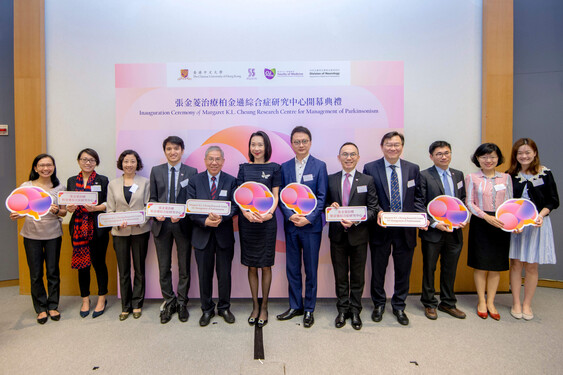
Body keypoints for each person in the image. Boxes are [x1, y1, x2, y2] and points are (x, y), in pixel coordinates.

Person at [362, 131, 427, 326]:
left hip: (406, 229)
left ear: (402, 147)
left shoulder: (413, 169)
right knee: (378, 269)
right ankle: (379, 304)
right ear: (382, 147)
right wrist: (381, 212)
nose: (393, 148)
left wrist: (422, 217)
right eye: (389, 144)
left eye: (396, 144)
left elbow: (418, 198)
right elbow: (369, 198)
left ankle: (399, 306)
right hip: (380, 227)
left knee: (403, 270)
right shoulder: (370, 167)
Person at [277, 126, 328, 328]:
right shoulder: (285, 167)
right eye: (297, 141)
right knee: (292, 268)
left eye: (304, 141)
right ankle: (295, 305)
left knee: (311, 270)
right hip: (291, 226)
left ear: (310, 142)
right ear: (292, 143)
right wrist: (290, 216)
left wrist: (309, 218)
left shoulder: (319, 166)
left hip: (311, 227)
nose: (301, 145)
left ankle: (309, 309)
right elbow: (280, 196)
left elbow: (323, 197)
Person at [326, 142, 380, 330]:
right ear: (339, 157)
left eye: (352, 154)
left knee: (357, 276)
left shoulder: (368, 180)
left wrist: (356, 220)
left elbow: (373, 209)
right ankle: (342, 309)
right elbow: (324, 206)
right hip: (337, 236)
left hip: (359, 236)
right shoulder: (330, 179)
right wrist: (330, 208)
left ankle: (355, 310)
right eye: (345, 154)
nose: (348, 158)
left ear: (358, 157)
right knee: (340, 276)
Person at [9, 154, 67, 324]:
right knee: (35, 274)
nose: (45, 168)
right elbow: (21, 210)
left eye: (49, 165)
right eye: (41, 165)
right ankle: (40, 308)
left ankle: (53, 305)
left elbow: (64, 212)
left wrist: (56, 211)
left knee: (52, 272)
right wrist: (16, 215)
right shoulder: (26, 186)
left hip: (53, 234)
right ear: (35, 168)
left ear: (54, 167)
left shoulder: (60, 188)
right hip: (31, 234)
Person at [507, 138, 559, 320]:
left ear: (535, 153)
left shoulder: (545, 173)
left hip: (537, 225)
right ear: (516, 155)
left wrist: (541, 215)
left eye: (527, 152)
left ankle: (527, 304)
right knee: (515, 265)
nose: (524, 156)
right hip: (517, 227)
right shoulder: (510, 175)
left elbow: (553, 200)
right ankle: (515, 302)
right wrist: (512, 223)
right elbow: (507, 203)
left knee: (531, 266)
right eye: (520, 153)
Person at [187, 146, 238, 326]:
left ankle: (224, 307)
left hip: (223, 235)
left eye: (217, 159)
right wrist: (204, 221)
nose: (214, 162)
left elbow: (235, 206)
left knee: (224, 275)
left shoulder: (232, 181)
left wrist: (221, 218)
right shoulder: (194, 181)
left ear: (223, 161)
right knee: (204, 275)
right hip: (202, 235)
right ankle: (207, 309)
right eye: (210, 159)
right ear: (205, 160)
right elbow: (190, 208)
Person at [149, 136, 197, 324]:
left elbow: (192, 200)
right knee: (164, 267)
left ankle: (182, 303)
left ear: (182, 150)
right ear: (165, 151)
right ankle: (169, 301)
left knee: (185, 266)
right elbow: (152, 198)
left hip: (183, 225)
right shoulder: (156, 171)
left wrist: (183, 213)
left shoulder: (192, 172)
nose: (173, 152)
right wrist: (155, 213)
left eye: (176, 148)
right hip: (162, 225)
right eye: (169, 149)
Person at [237, 131, 281, 328]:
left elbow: (275, 195)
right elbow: (239, 195)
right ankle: (255, 305)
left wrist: (270, 213)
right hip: (247, 222)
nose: (256, 148)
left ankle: (265, 306)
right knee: (251, 265)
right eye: (253, 144)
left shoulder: (275, 168)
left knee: (265, 265)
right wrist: (245, 213)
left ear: (266, 147)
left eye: (260, 145)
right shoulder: (243, 168)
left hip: (267, 223)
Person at [419, 141, 467, 320]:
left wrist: (463, 217)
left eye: (447, 153)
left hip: (455, 231)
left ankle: (448, 302)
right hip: (433, 231)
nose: (444, 156)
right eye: (439, 154)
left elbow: (462, 200)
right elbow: (419, 203)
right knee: (429, 268)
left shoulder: (458, 175)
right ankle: (429, 303)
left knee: (450, 268)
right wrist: (433, 223)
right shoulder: (424, 175)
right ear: (431, 157)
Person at [465, 143, 513, 320]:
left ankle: (491, 301)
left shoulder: (506, 178)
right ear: (477, 158)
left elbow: (510, 201)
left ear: (498, 158)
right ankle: (481, 301)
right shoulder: (472, 177)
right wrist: (486, 217)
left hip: (501, 222)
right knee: (481, 264)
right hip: (481, 222)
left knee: (496, 265)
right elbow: (469, 202)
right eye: (484, 157)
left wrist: (508, 220)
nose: (488, 160)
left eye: (492, 156)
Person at [106, 150, 151, 321]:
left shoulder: (145, 182)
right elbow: (110, 209)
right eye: (126, 161)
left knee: (139, 269)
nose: (129, 165)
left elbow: (148, 207)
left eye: (132, 161)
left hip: (140, 231)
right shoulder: (113, 184)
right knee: (123, 270)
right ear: (121, 163)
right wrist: (118, 222)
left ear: (137, 164)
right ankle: (126, 306)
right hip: (119, 232)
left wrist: (139, 221)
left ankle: (137, 303)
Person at [67, 148, 111, 318]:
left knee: (99, 264)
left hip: (97, 229)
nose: (88, 162)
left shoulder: (103, 180)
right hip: (78, 229)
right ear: (79, 161)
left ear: (96, 163)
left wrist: (96, 208)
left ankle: (102, 298)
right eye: (84, 159)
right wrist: (69, 207)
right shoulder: (71, 181)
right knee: (82, 266)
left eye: (92, 160)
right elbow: (67, 202)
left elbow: (109, 202)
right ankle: (85, 299)